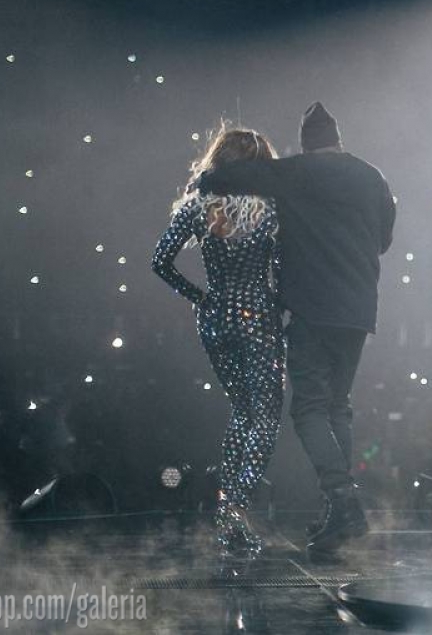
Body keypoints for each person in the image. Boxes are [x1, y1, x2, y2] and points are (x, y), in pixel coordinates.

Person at [194, 102, 395, 557]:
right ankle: (337, 512)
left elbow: (229, 178)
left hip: (312, 308)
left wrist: (205, 181)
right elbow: (383, 240)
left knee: (308, 410)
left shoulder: (296, 172)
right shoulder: (372, 176)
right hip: (359, 309)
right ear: (339, 139)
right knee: (338, 407)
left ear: (306, 143)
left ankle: (344, 501)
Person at [151, 125, 285, 561]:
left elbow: (159, 262)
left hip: (213, 319)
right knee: (265, 418)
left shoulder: (198, 207)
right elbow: (284, 269)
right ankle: (232, 513)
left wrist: (199, 297)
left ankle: (230, 523)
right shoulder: (270, 209)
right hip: (257, 317)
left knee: (242, 413)